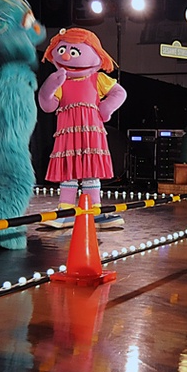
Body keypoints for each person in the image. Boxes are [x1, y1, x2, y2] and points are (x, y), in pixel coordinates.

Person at [38, 27, 127, 229]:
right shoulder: (61, 81)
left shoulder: (97, 79)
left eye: (74, 51)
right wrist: (48, 89)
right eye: (62, 50)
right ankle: (66, 210)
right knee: (69, 170)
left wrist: (105, 108)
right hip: (67, 134)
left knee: (90, 171)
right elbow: (48, 105)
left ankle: (93, 209)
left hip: (90, 134)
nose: (67, 55)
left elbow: (119, 93)